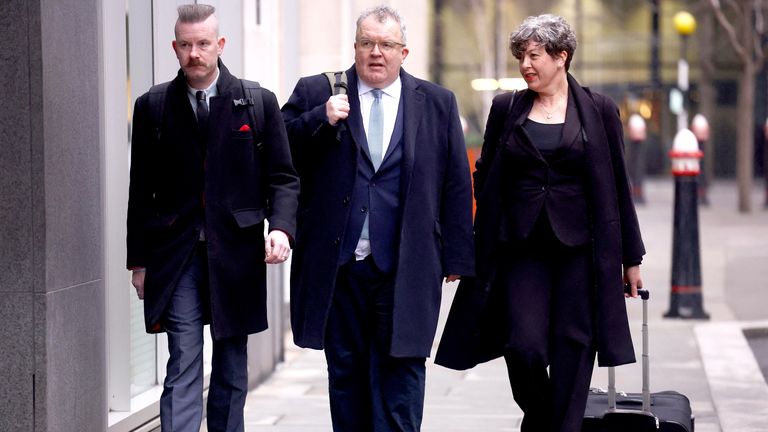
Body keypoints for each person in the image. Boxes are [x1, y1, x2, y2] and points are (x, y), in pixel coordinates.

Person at [435, 14, 645, 432]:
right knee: (524, 345)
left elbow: (618, 185)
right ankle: (546, 419)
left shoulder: (599, 110)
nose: (525, 65)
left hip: (581, 251)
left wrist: (631, 258)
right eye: (521, 57)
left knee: (575, 344)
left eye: (534, 55)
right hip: (519, 248)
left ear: (561, 56)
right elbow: (487, 171)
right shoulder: (506, 108)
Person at [281, 5, 474, 431]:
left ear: (404, 52)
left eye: (386, 44)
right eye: (367, 43)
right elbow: (277, 153)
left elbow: (456, 183)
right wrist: (320, 118)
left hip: (407, 265)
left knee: (402, 374)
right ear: (354, 47)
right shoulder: (318, 92)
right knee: (346, 377)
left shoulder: (437, 103)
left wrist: (458, 258)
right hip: (340, 267)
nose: (376, 52)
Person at [126, 4, 299, 431]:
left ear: (220, 45)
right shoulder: (153, 106)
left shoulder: (257, 102)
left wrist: (280, 228)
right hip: (176, 253)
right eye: (185, 45)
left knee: (231, 362)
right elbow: (140, 191)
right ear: (174, 47)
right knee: (183, 356)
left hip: (236, 254)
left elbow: (283, 177)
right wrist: (139, 262)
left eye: (203, 44)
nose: (194, 53)